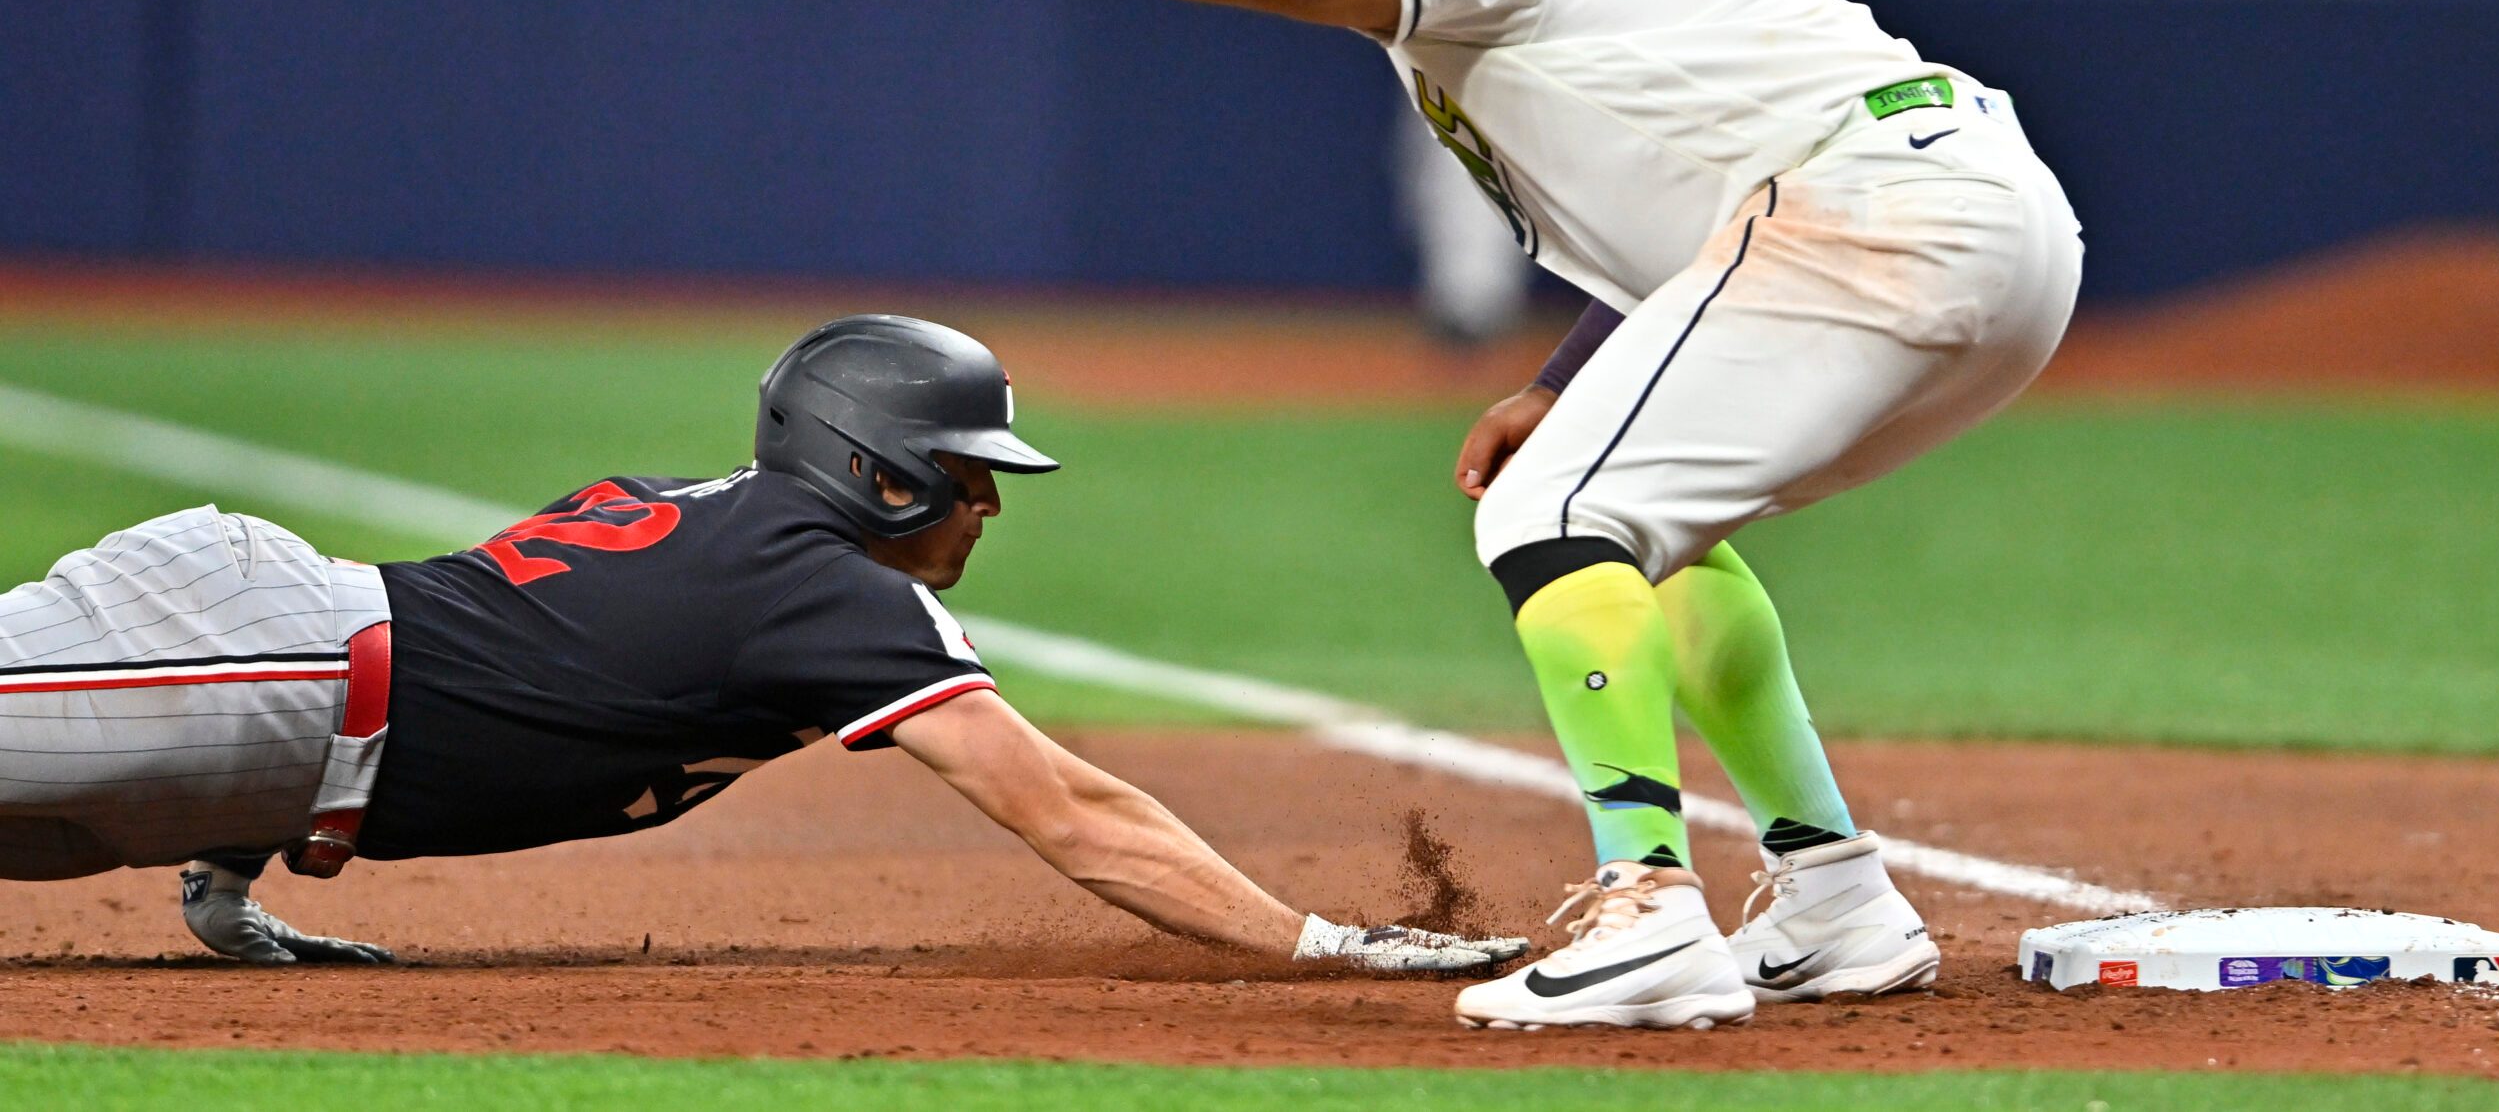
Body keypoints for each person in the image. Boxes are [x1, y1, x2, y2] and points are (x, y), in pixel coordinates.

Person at [932, 0, 2082, 1031]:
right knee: (1656, 527)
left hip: (1881, 205)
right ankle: (1833, 892)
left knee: (1558, 512)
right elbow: (1697, 210)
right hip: (1968, 215)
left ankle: (1648, 905)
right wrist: (1555, 381)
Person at [0, 314, 1524, 975]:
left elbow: (474, 659)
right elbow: (1066, 806)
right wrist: (1318, 938)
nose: (990, 496)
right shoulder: (827, 586)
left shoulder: (726, 519)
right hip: (259, 662)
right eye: (968, 462)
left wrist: (228, 854)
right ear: (876, 463)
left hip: (269, 707)